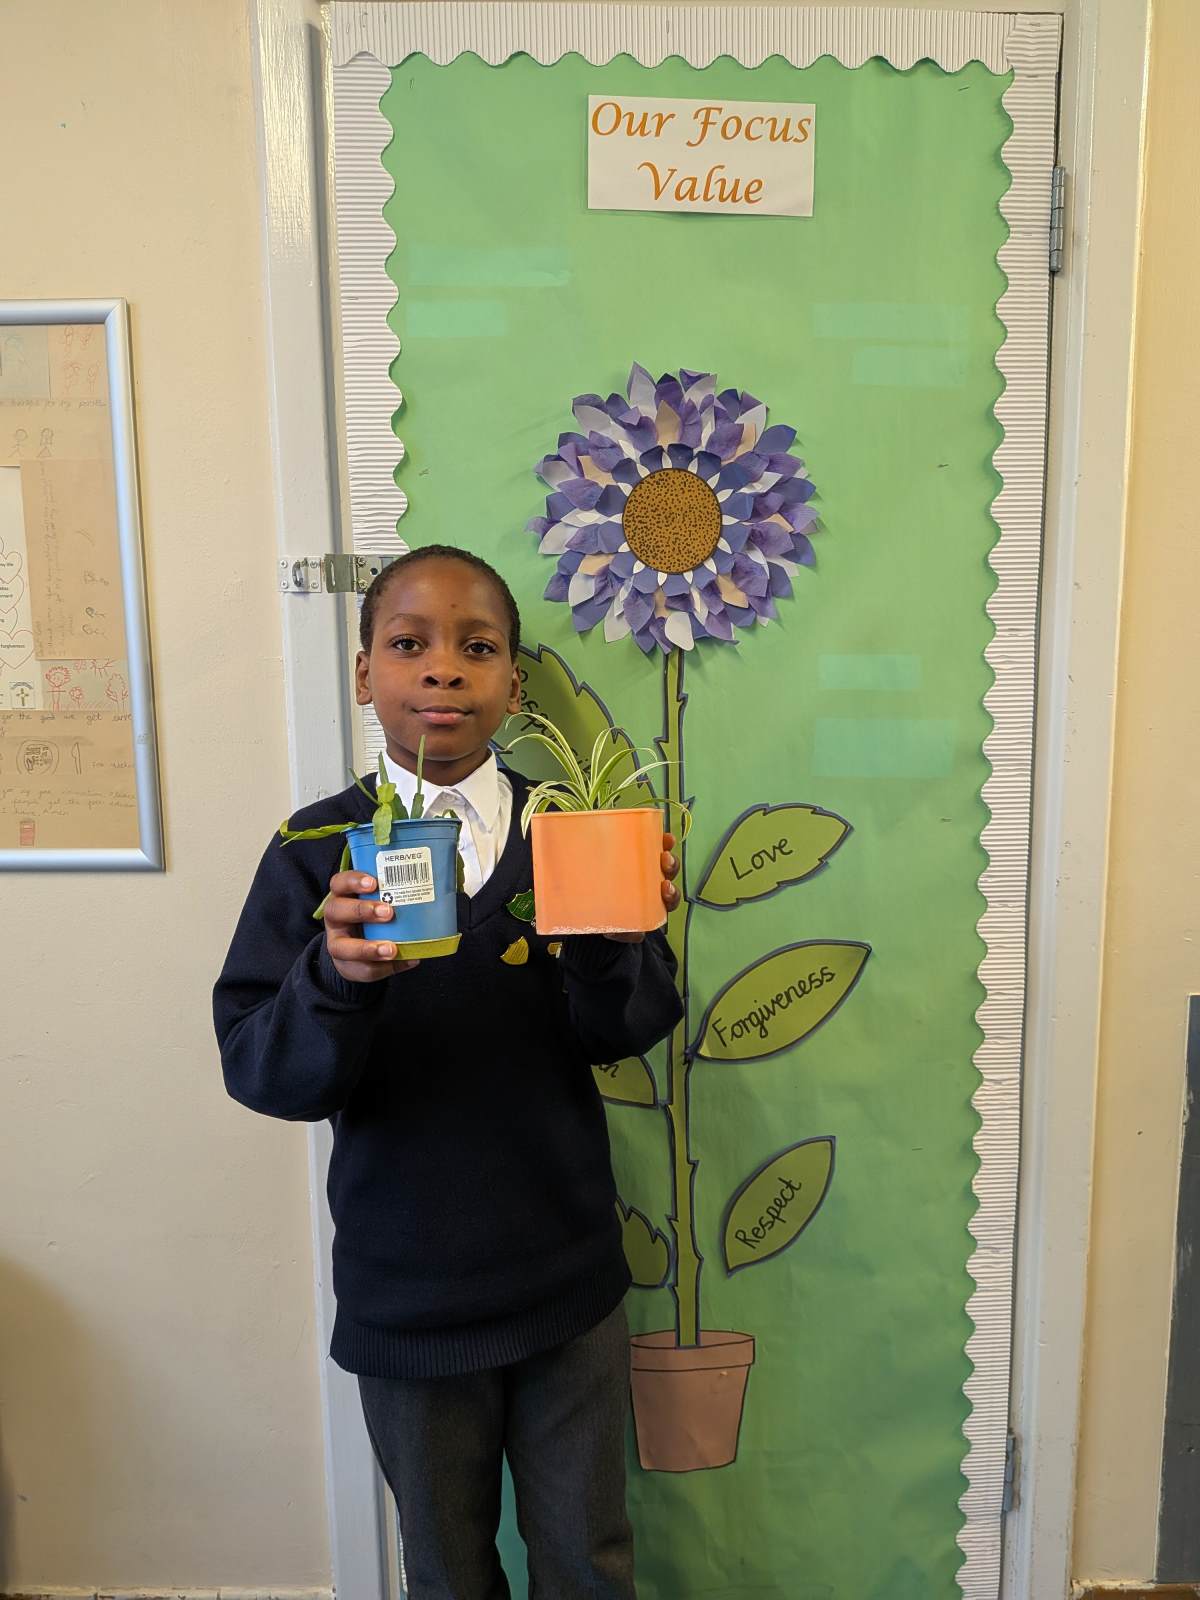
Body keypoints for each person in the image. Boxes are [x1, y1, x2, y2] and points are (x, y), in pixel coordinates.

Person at [214, 545, 683, 1600]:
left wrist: (615, 941)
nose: (442, 668)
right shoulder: (313, 851)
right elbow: (264, 1070)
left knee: (590, 1557)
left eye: (477, 647)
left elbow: (625, 1029)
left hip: (565, 1279)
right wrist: (335, 976)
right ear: (363, 673)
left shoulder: (568, 831)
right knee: (445, 1570)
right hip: (409, 1292)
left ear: (514, 683)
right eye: (408, 643)